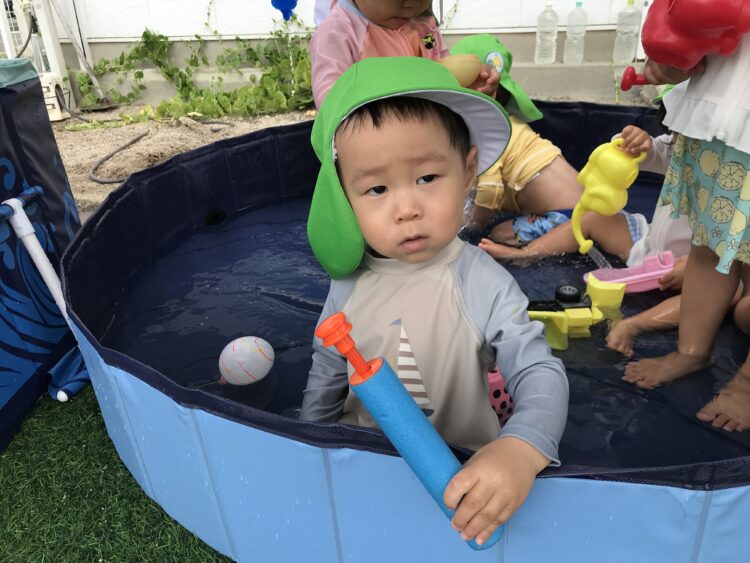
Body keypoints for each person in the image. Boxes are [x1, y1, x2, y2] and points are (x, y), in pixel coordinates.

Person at [300, 57, 569, 545]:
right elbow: (327, 372)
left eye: (427, 178)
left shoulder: (483, 281)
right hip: (365, 464)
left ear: (467, 170)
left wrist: (521, 449)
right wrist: (306, 446)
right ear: (344, 198)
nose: (407, 209)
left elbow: (538, 370)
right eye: (376, 189)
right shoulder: (348, 285)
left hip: (464, 476)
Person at [622, 33, 750, 432]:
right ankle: (692, 350)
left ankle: (748, 381)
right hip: (713, 112)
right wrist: (668, 53)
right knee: (708, 243)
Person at [449, 35, 583, 238]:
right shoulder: (511, 124)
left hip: (567, 218)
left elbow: (489, 192)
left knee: (498, 234)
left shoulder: (489, 135)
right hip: (585, 206)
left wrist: (471, 227)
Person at [309, 0, 498, 107]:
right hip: (378, 150)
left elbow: (441, 64)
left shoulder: (424, 29)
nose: (412, 4)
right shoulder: (338, 33)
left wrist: (472, 84)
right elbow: (331, 104)